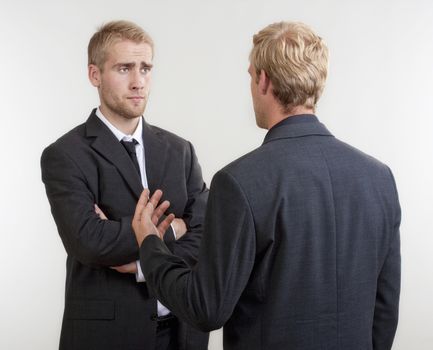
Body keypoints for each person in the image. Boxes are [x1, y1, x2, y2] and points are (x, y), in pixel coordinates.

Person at [132, 21, 401, 350]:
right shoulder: (379, 178)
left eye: (250, 75)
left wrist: (150, 245)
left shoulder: (239, 182)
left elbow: (206, 308)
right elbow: (384, 310)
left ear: (263, 79)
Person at [41, 20, 209, 350]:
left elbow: (207, 233)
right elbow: (89, 241)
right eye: (124, 68)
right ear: (95, 75)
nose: (138, 82)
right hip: (108, 337)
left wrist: (144, 262)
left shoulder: (180, 150)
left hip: (183, 332)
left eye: (145, 68)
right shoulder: (66, 155)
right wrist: (172, 230)